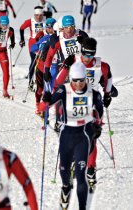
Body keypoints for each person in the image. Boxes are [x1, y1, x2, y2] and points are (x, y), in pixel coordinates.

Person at [53, 37, 118, 191]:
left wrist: (107, 94)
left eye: (90, 55)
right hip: (72, 102)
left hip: (93, 104)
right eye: (85, 54)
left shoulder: (101, 65)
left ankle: (90, 168)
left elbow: (108, 78)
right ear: (81, 51)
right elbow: (58, 81)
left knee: (92, 137)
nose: (87, 58)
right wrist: (65, 67)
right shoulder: (73, 61)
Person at [41, 62, 103, 210]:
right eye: (75, 80)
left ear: (85, 79)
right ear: (71, 79)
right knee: (64, 170)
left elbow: (99, 110)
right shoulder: (64, 90)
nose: (79, 84)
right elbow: (50, 102)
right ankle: (66, 188)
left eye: (81, 80)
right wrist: (47, 98)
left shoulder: (93, 93)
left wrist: (97, 125)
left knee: (80, 176)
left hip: (83, 135)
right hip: (67, 134)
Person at [43, 15, 88, 132]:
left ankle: (82, 117)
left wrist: (84, 43)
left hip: (79, 69)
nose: (70, 30)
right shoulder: (59, 39)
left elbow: (91, 50)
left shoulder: (80, 35)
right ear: (63, 28)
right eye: (67, 27)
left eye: (72, 27)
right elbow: (49, 56)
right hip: (65, 68)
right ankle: (59, 119)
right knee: (60, 91)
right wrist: (46, 71)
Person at [30, 17, 56, 116]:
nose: (51, 30)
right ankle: (38, 104)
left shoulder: (58, 38)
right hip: (41, 67)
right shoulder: (44, 38)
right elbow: (33, 48)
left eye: (52, 27)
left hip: (52, 67)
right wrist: (39, 47)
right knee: (40, 89)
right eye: (49, 28)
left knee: (49, 89)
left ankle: (44, 107)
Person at [19, 6, 45, 88]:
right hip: (33, 43)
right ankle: (30, 81)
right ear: (34, 15)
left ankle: (42, 81)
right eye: (37, 15)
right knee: (34, 61)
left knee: (43, 62)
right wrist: (22, 39)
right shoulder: (30, 21)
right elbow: (21, 28)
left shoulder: (46, 21)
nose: (39, 17)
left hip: (43, 44)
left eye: (40, 15)